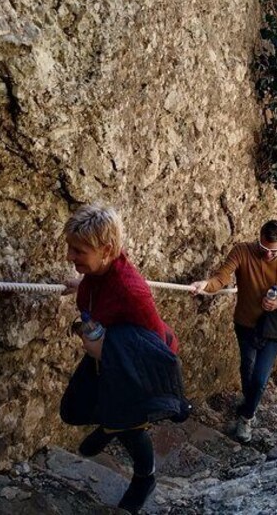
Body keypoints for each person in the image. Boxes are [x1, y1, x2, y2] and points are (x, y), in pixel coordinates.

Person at [60, 203, 188, 514]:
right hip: (108, 355)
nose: (70, 257)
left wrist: (104, 348)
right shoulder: (101, 272)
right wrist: (83, 283)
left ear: (105, 250)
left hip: (136, 366)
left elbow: (154, 346)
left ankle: (145, 477)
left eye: (79, 251)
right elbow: (103, 294)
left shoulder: (132, 292)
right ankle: (109, 424)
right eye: (70, 248)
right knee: (73, 410)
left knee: (128, 424)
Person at [190, 219, 277, 443]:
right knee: (247, 368)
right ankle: (249, 401)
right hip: (246, 324)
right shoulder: (242, 251)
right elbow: (221, 278)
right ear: (258, 238)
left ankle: (247, 417)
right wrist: (205, 285)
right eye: (263, 249)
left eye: (274, 251)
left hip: (275, 328)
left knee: (260, 378)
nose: (268, 255)